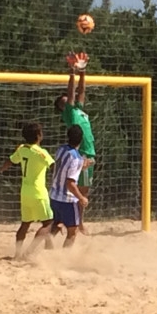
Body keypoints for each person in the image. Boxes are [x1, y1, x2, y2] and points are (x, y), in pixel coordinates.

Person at [53, 51, 96, 235]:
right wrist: (72, 72)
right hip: (83, 154)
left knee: (82, 190)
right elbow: (72, 93)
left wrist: (83, 71)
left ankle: (72, 222)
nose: (66, 99)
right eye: (63, 101)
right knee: (78, 191)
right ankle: (77, 224)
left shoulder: (78, 110)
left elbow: (81, 91)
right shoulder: (69, 113)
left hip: (89, 153)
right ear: (62, 108)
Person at [0, 123, 55, 259]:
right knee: (49, 223)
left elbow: (10, 161)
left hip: (25, 192)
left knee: (25, 223)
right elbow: (54, 166)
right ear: (38, 136)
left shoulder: (22, 149)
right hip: (38, 192)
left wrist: (1, 169)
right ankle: (29, 252)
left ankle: (17, 253)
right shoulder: (41, 153)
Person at [49, 126, 89, 248]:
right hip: (67, 200)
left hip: (54, 195)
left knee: (56, 225)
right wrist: (81, 198)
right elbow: (70, 183)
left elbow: (62, 168)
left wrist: (81, 166)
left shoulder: (61, 149)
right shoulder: (76, 158)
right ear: (81, 140)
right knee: (73, 231)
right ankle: (64, 258)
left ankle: (44, 250)